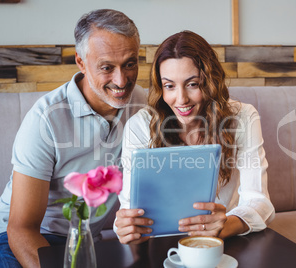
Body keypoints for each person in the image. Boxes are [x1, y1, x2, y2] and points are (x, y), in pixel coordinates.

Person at [0, 9, 146, 267]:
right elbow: (21, 228)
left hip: (84, 240)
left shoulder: (144, 105)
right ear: (81, 62)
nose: (121, 80)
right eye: (107, 67)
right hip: (16, 239)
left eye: (130, 63)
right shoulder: (46, 118)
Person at [114, 30, 275, 244]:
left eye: (193, 84)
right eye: (169, 86)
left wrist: (225, 225)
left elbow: (260, 202)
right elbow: (130, 209)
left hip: (223, 241)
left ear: (210, 82)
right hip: (160, 245)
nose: (181, 99)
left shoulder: (243, 118)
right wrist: (127, 228)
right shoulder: (141, 125)